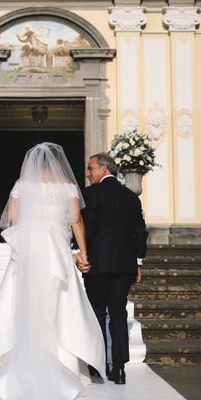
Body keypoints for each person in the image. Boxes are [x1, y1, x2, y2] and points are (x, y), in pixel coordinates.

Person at [0, 143, 105, 400]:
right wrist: (83, 253)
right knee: (60, 308)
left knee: (22, 304)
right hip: (57, 250)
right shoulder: (67, 185)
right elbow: (76, 220)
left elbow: (11, 218)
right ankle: (62, 367)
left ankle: (20, 366)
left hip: (29, 251)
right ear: (58, 163)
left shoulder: (22, 184)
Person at [75, 153, 148, 385]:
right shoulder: (131, 197)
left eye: (91, 168)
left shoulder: (91, 193)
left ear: (104, 169)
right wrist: (138, 262)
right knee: (118, 314)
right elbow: (140, 231)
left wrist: (80, 252)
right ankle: (119, 369)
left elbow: (91, 226)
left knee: (96, 313)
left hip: (97, 264)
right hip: (124, 265)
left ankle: (97, 366)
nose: (88, 173)